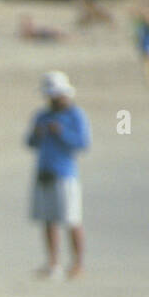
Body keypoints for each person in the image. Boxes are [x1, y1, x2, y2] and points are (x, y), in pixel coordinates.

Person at [26, 70, 90, 279]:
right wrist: (37, 133)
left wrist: (61, 132)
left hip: (66, 174)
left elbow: (82, 143)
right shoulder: (42, 116)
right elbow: (30, 143)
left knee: (72, 219)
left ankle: (78, 264)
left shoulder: (75, 115)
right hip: (44, 172)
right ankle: (53, 263)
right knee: (48, 220)